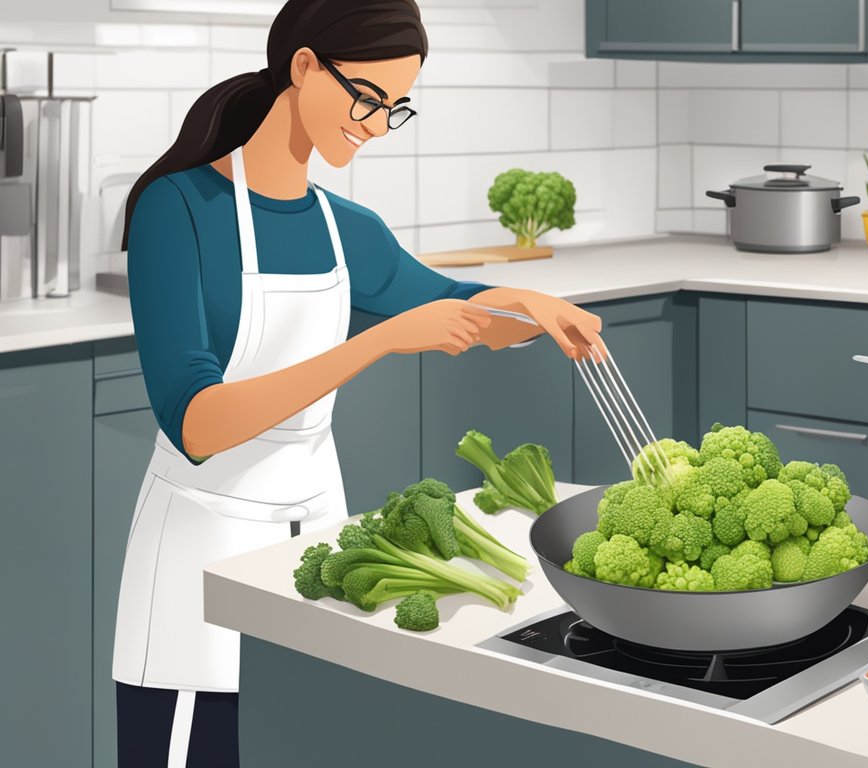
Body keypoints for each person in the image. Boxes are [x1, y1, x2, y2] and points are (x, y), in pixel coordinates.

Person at [110, 1, 602, 765]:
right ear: (304, 66)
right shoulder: (178, 210)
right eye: (367, 98)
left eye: (395, 108)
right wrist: (376, 342)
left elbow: (452, 307)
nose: (375, 126)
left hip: (323, 543)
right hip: (202, 554)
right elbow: (196, 422)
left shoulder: (346, 226)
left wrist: (533, 309)